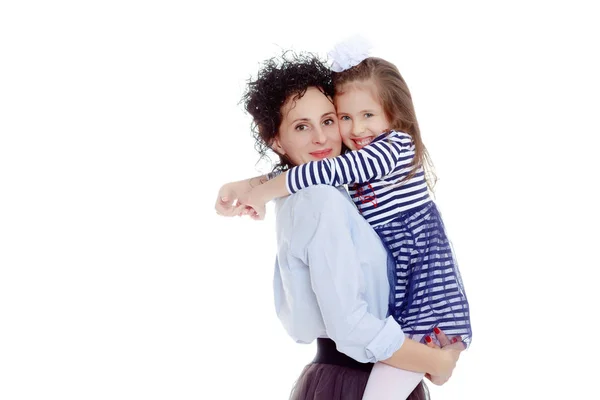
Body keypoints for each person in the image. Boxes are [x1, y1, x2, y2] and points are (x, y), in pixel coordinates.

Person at [215, 52, 464, 400]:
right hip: (358, 376)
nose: (322, 138)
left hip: (364, 368)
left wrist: (254, 187)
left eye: (329, 121)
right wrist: (437, 363)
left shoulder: (323, 191)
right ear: (275, 140)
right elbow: (352, 328)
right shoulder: (321, 200)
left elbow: (317, 172)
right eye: (302, 126)